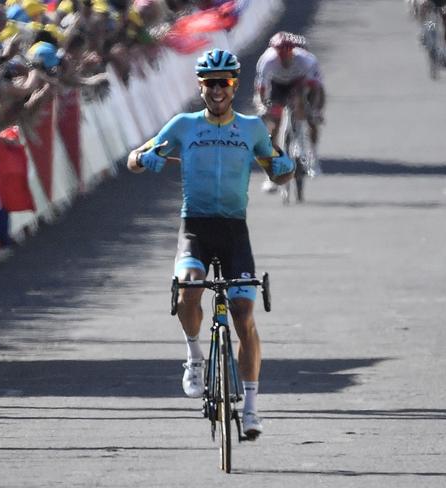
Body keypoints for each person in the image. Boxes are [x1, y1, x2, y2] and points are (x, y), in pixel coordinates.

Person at [127, 48, 294, 438]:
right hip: (195, 229)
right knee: (188, 287)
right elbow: (134, 156)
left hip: (235, 231)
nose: (218, 90)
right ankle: (194, 357)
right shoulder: (183, 125)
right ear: (201, 86)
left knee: (243, 313)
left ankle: (251, 408)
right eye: (210, 83)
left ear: (234, 85)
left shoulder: (252, 129)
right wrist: (144, 159)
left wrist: (286, 171)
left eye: (225, 83)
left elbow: (278, 168)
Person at [254, 31, 324, 192]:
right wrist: (263, 107)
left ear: (293, 51)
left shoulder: (306, 60)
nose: (284, 57)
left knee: (303, 107)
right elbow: (260, 90)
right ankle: (271, 175)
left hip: (298, 84)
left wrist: (314, 110)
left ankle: (312, 157)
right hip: (277, 85)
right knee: (274, 126)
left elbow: (316, 89)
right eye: (280, 53)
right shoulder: (267, 61)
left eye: (288, 53)